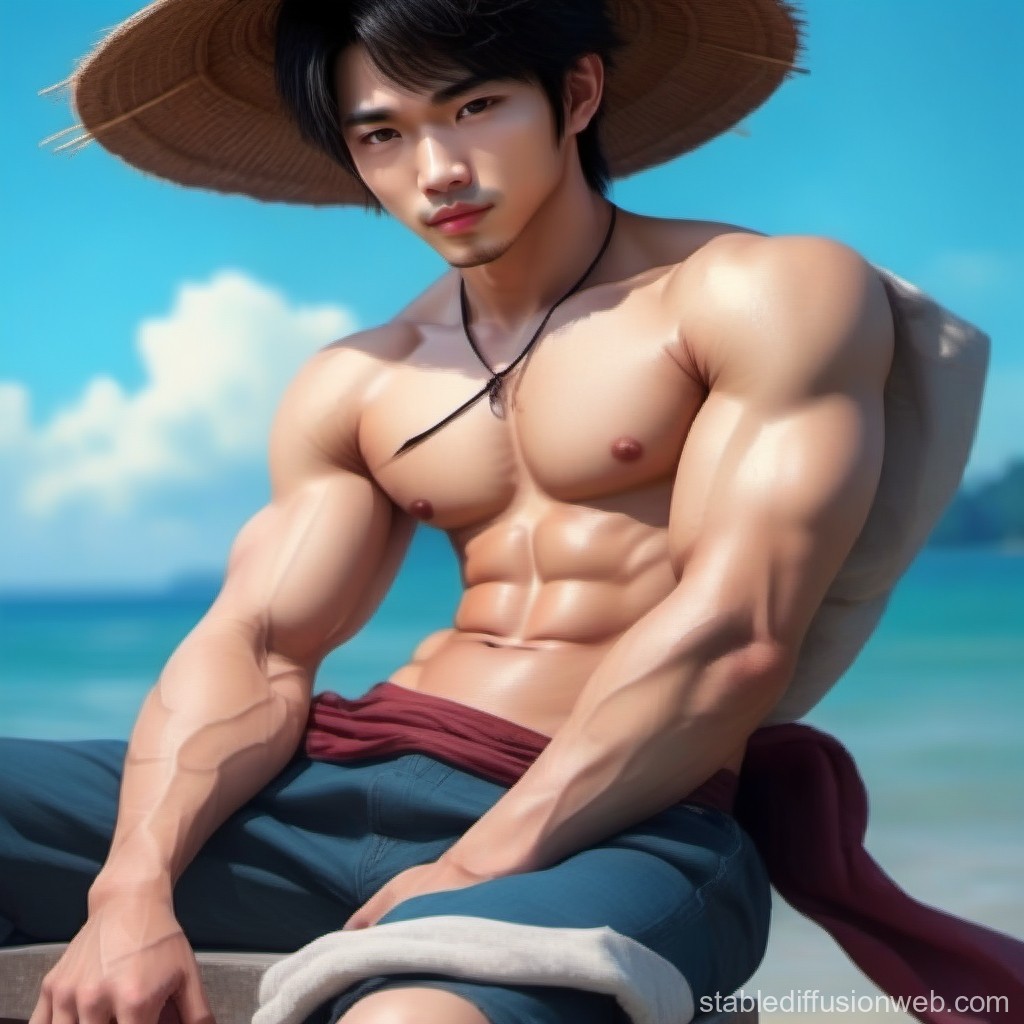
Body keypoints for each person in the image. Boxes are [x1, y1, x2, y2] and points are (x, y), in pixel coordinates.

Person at [2, 2, 1021, 1024]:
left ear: (575, 95)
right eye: (382, 134)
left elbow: (734, 631)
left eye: (475, 106)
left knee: (411, 1016)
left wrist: (479, 862)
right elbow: (258, 645)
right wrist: (128, 889)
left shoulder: (756, 290)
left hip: (624, 822)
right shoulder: (359, 379)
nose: (435, 168)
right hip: (339, 779)